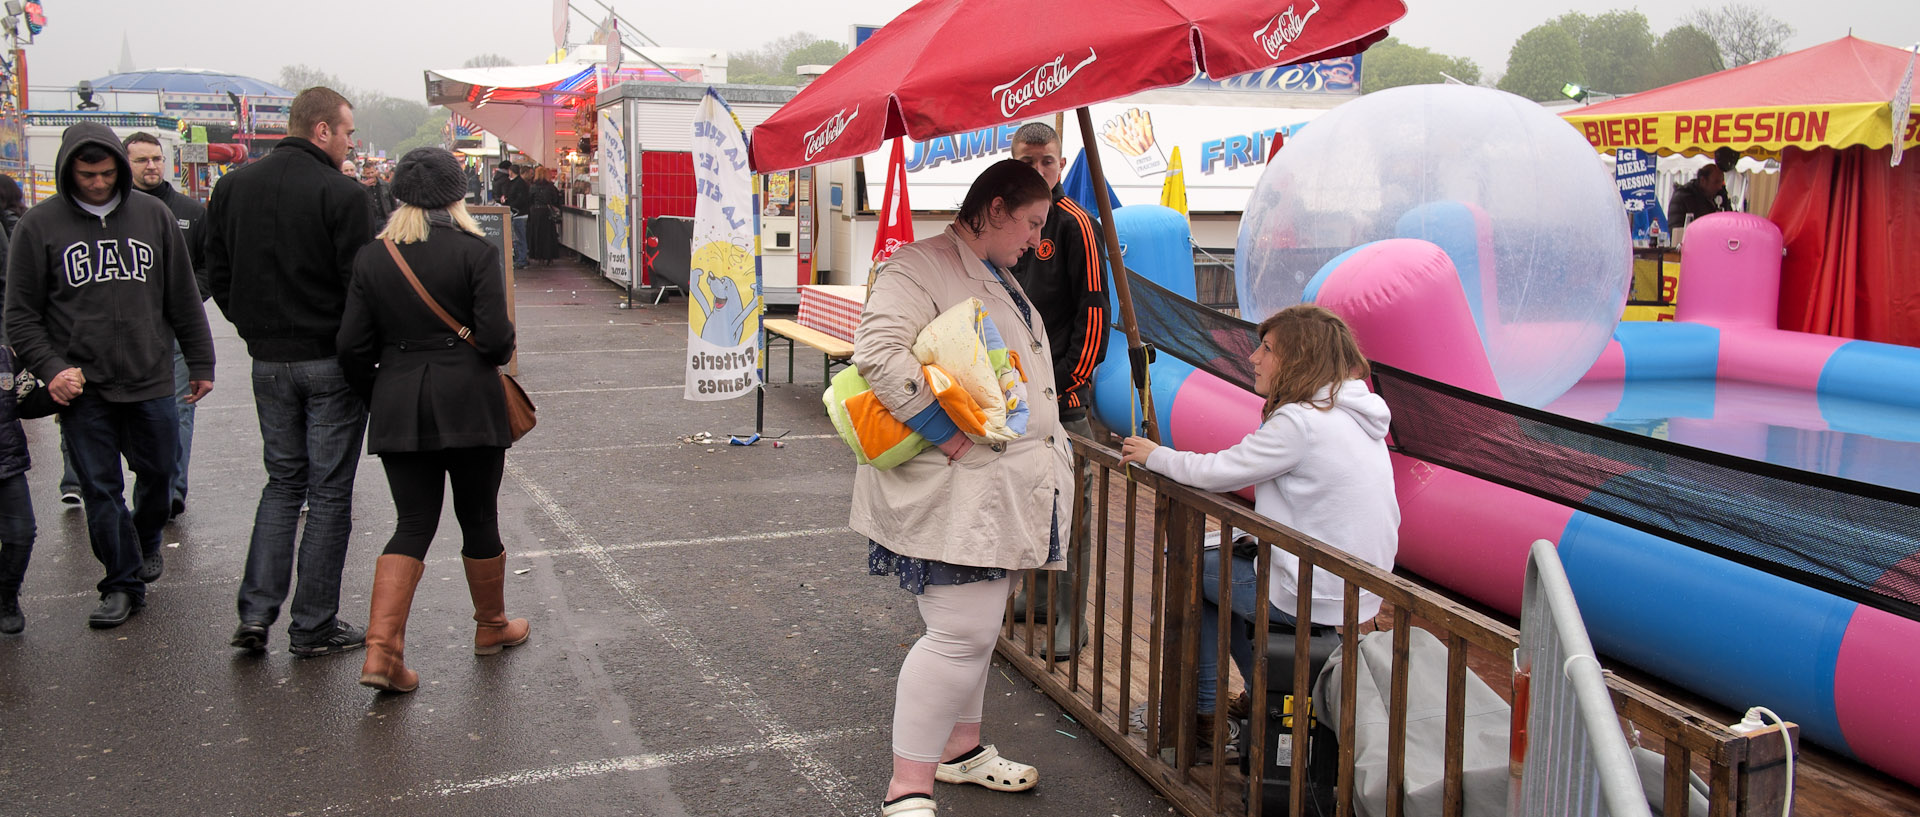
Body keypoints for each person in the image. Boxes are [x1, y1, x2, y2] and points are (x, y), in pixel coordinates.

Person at [855, 159, 1070, 817]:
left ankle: (960, 751)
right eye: (1032, 223)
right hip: (959, 486)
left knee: (976, 630)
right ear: (995, 206)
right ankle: (908, 787)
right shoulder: (920, 266)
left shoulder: (997, 270)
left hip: (1001, 489)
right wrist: (944, 432)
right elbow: (878, 353)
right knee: (958, 634)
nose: (1036, 240)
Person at [1119, 304, 1398, 752]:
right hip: (1358, 587)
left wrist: (1155, 455)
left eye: (1266, 348)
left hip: (1316, 587)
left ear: (1298, 359)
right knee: (1219, 571)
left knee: (1188, 563)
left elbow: (1218, 470)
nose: (1253, 358)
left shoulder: (1300, 421)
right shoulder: (1355, 412)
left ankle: (1205, 714)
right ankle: (1256, 694)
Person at [4, 122, 216, 629]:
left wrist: (201, 361)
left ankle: (144, 542)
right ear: (67, 170)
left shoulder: (153, 215)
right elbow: (20, 316)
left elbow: (182, 296)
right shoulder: (39, 225)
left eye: (105, 173)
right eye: (86, 174)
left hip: (150, 376)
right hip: (82, 386)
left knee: (160, 476)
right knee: (101, 490)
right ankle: (120, 584)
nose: (97, 183)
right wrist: (51, 369)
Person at [337, 147, 528, 693]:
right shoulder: (474, 251)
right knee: (478, 515)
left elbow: (351, 346)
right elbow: (494, 341)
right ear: (457, 194)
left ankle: (382, 653)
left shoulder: (374, 257)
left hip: (399, 397)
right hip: (469, 398)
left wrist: (382, 390)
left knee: (413, 522)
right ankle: (491, 626)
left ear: (399, 195)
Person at [206, 86, 374, 657]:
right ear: (321, 129)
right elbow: (360, 287)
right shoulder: (342, 194)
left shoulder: (232, 187)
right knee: (327, 493)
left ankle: (255, 614)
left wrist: (252, 327)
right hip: (326, 357)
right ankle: (312, 624)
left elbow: (217, 273)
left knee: (283, 484)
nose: (351, 141)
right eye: (347, 131)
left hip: (267, 359)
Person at [1005, 122, 1109, 659]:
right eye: (1028, 161)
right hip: (1012, 400)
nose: (1038, 170)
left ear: (1060, 165)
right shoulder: (1007, 223)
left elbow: (1095, 317)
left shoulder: (1076, 225)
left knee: (1072, 514)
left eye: (1047, 162)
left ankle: (1073, 615)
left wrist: (1066, 388)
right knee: (1028, 499)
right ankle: (1040, 596)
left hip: (1065, 404)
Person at [125, 131, 209, 519]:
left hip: (175, 330)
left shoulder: (190, 211)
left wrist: (189, 301)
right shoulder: (118, 213)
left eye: (156, 158)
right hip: (124, 331)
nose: (152, 166)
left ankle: (172, 490)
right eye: (142, 160)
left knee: (179, 409)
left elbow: (212, 265)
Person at [0, 343, 60, 634]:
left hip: (5, 461)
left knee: (22, 534)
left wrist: (56, 394)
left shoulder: (5, 356)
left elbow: (25, 400)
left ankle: (6, 597)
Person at [1667, 164, 1730, 235]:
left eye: (1721, 183)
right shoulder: (1683, 197)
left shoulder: (1720, 197)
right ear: (1703, 180)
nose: (1719, 187)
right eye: (1716, 182)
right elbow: (1676, 231)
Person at [527, 166, 562, 264]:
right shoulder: (551, 187)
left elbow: (529, 199)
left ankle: (538, 255)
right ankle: (549, 255)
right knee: (548, 235)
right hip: (546, 212)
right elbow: (555, 199)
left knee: (537, 234)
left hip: (535, 212)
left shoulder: (532, 186)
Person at [502, 164, 530, 270]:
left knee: (519, 238)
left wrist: (510, 204)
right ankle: (521, 258)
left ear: (510, 171)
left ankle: (521, 259)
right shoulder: (520, 183)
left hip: (519, 214)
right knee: (519, 237)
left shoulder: (518, 184)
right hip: (519, 213)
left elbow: (520, 199)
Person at [359, 159, 394, 227]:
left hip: (385, 219)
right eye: (368, 173)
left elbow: (392, 203)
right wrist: (364, 186)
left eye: (372, 172)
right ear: (364, 174)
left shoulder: (385, 185)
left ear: (376, 171)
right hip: (370, 221)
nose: (370, 175)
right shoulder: (361, 187)